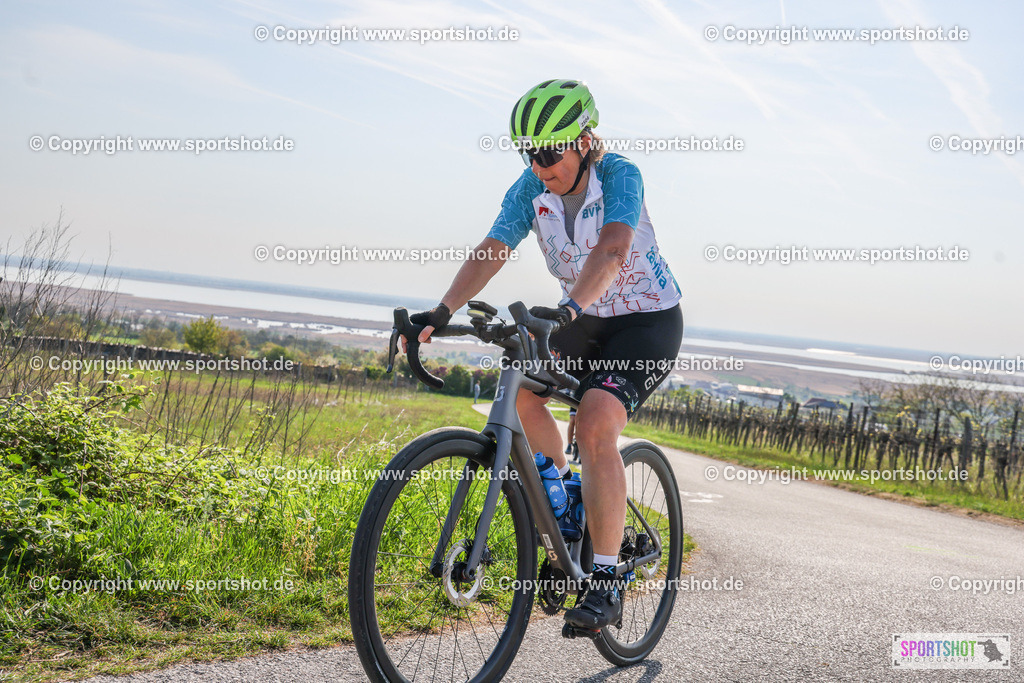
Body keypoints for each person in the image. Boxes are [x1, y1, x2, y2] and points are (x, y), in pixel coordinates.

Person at [400, 79, 683, 631]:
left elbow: (614, 248)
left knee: (599, 420)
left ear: (583, 140)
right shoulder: (531, 188)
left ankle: (605, 580)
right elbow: (494, 248)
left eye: (550, 151)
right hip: (578, 316)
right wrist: (440, 310)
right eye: (529, 152)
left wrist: (571, 308)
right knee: (519, 384)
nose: (539, 164)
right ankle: (561, 503)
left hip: (645, 324)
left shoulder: (620, 175)